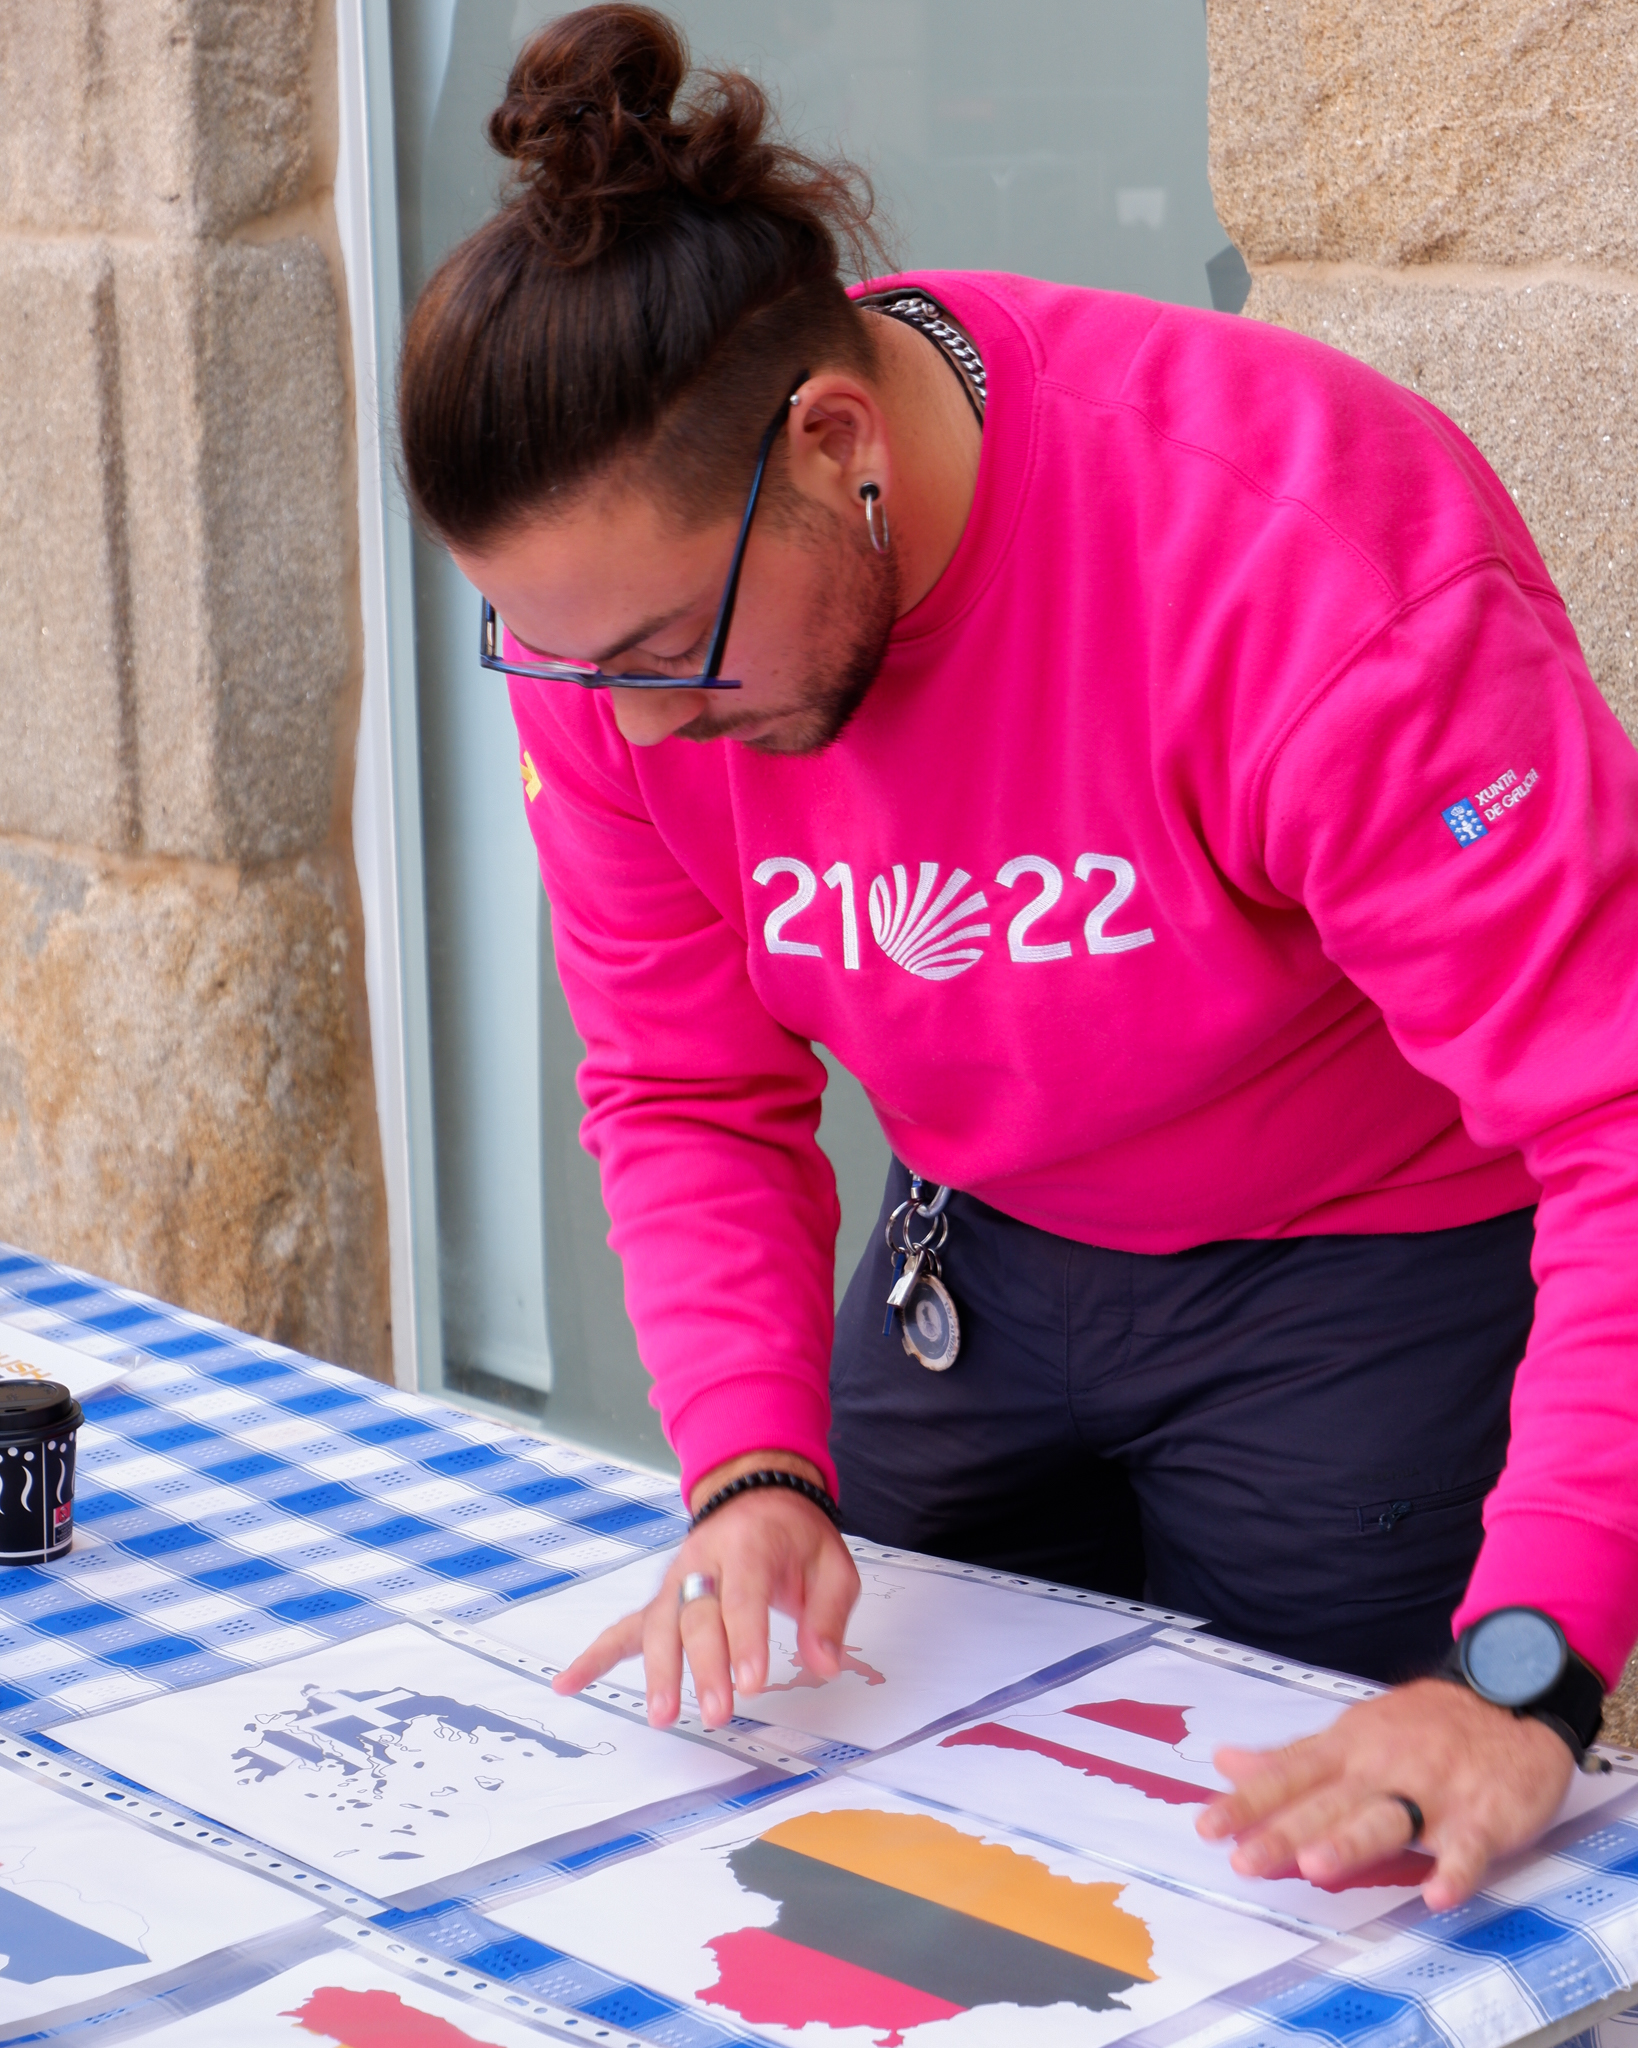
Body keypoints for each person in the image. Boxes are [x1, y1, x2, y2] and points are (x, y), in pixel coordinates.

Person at [397, 5, 1638, 1909]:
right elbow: (683, 1084)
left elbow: (1618, 1112)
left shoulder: (1301, 559)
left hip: (1364, 1274)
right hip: (981, 1245)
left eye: (660, 655)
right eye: (561, 662)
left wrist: (1526, 1674)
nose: (631, 732)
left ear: (834, 443)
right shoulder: (621, 628)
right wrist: (748, 1464)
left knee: (1302, 1886)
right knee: (844, 1835)